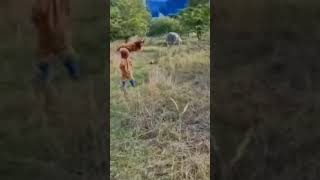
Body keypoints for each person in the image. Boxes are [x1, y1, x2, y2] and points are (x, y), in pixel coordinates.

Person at [31, 0, 80, 81]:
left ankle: (42, 77)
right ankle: (75, 73)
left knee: (44, 53)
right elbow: (67, 8)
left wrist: (34, 17)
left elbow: (40, 9)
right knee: (65, 50)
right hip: (61, 28)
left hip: (47, 30)